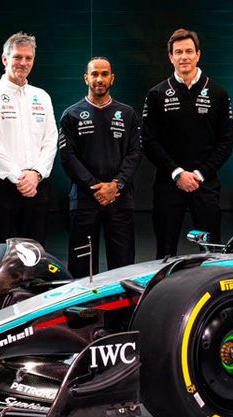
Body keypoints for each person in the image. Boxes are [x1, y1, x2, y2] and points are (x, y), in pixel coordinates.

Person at [141, 28, 233, 258]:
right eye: (178, 52)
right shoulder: (156, 94)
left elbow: (225, 143)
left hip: (205, 184)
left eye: (189, 51)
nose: (184, 57)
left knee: (211, 254)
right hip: (168, 185)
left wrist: (200, 174)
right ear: (171, 57)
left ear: (198, 55)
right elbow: (149, 141)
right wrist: (177, 173)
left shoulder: (218, 93)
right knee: (165, 253)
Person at [59, 57, 142, 278]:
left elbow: (135, 154)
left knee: (123, 266)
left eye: (104, 74)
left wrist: (116, 185)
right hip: (84, 200)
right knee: (81, 268)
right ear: (86, 78)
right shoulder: (71, 115)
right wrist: (95, 187)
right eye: (94, 74)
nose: (99, 79)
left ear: (112, 79)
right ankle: (83, 302)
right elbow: (68, 158)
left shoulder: (127, 113)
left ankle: (122, 302)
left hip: (120, 198)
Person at [0, 32, 57, 246]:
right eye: (17, 57)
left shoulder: (42, 96)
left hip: (36, 186)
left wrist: (36, 174)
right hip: (0, 187)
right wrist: (19, 177)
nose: (23, 63)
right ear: (5, 59)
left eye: (28, 58)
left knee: (33, 253)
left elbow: (51, 140)